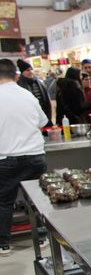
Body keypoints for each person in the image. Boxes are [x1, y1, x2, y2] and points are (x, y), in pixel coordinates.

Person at [0, 58, 49, 256]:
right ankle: (44, 236)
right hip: (34, 155)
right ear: (15, 75)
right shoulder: (27, 95)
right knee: (36, 198)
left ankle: (3, 244)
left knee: (4, 201)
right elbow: (43, 121)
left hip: (6, 158)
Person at [16, 59, 52, 126]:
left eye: (31, 69)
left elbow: (47, 101)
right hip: (29, 119)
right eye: (27, 70)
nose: (30, 72)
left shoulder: (40, 83)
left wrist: (48, 118)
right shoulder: (19, 85)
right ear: (22, 72)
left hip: (43, 115)